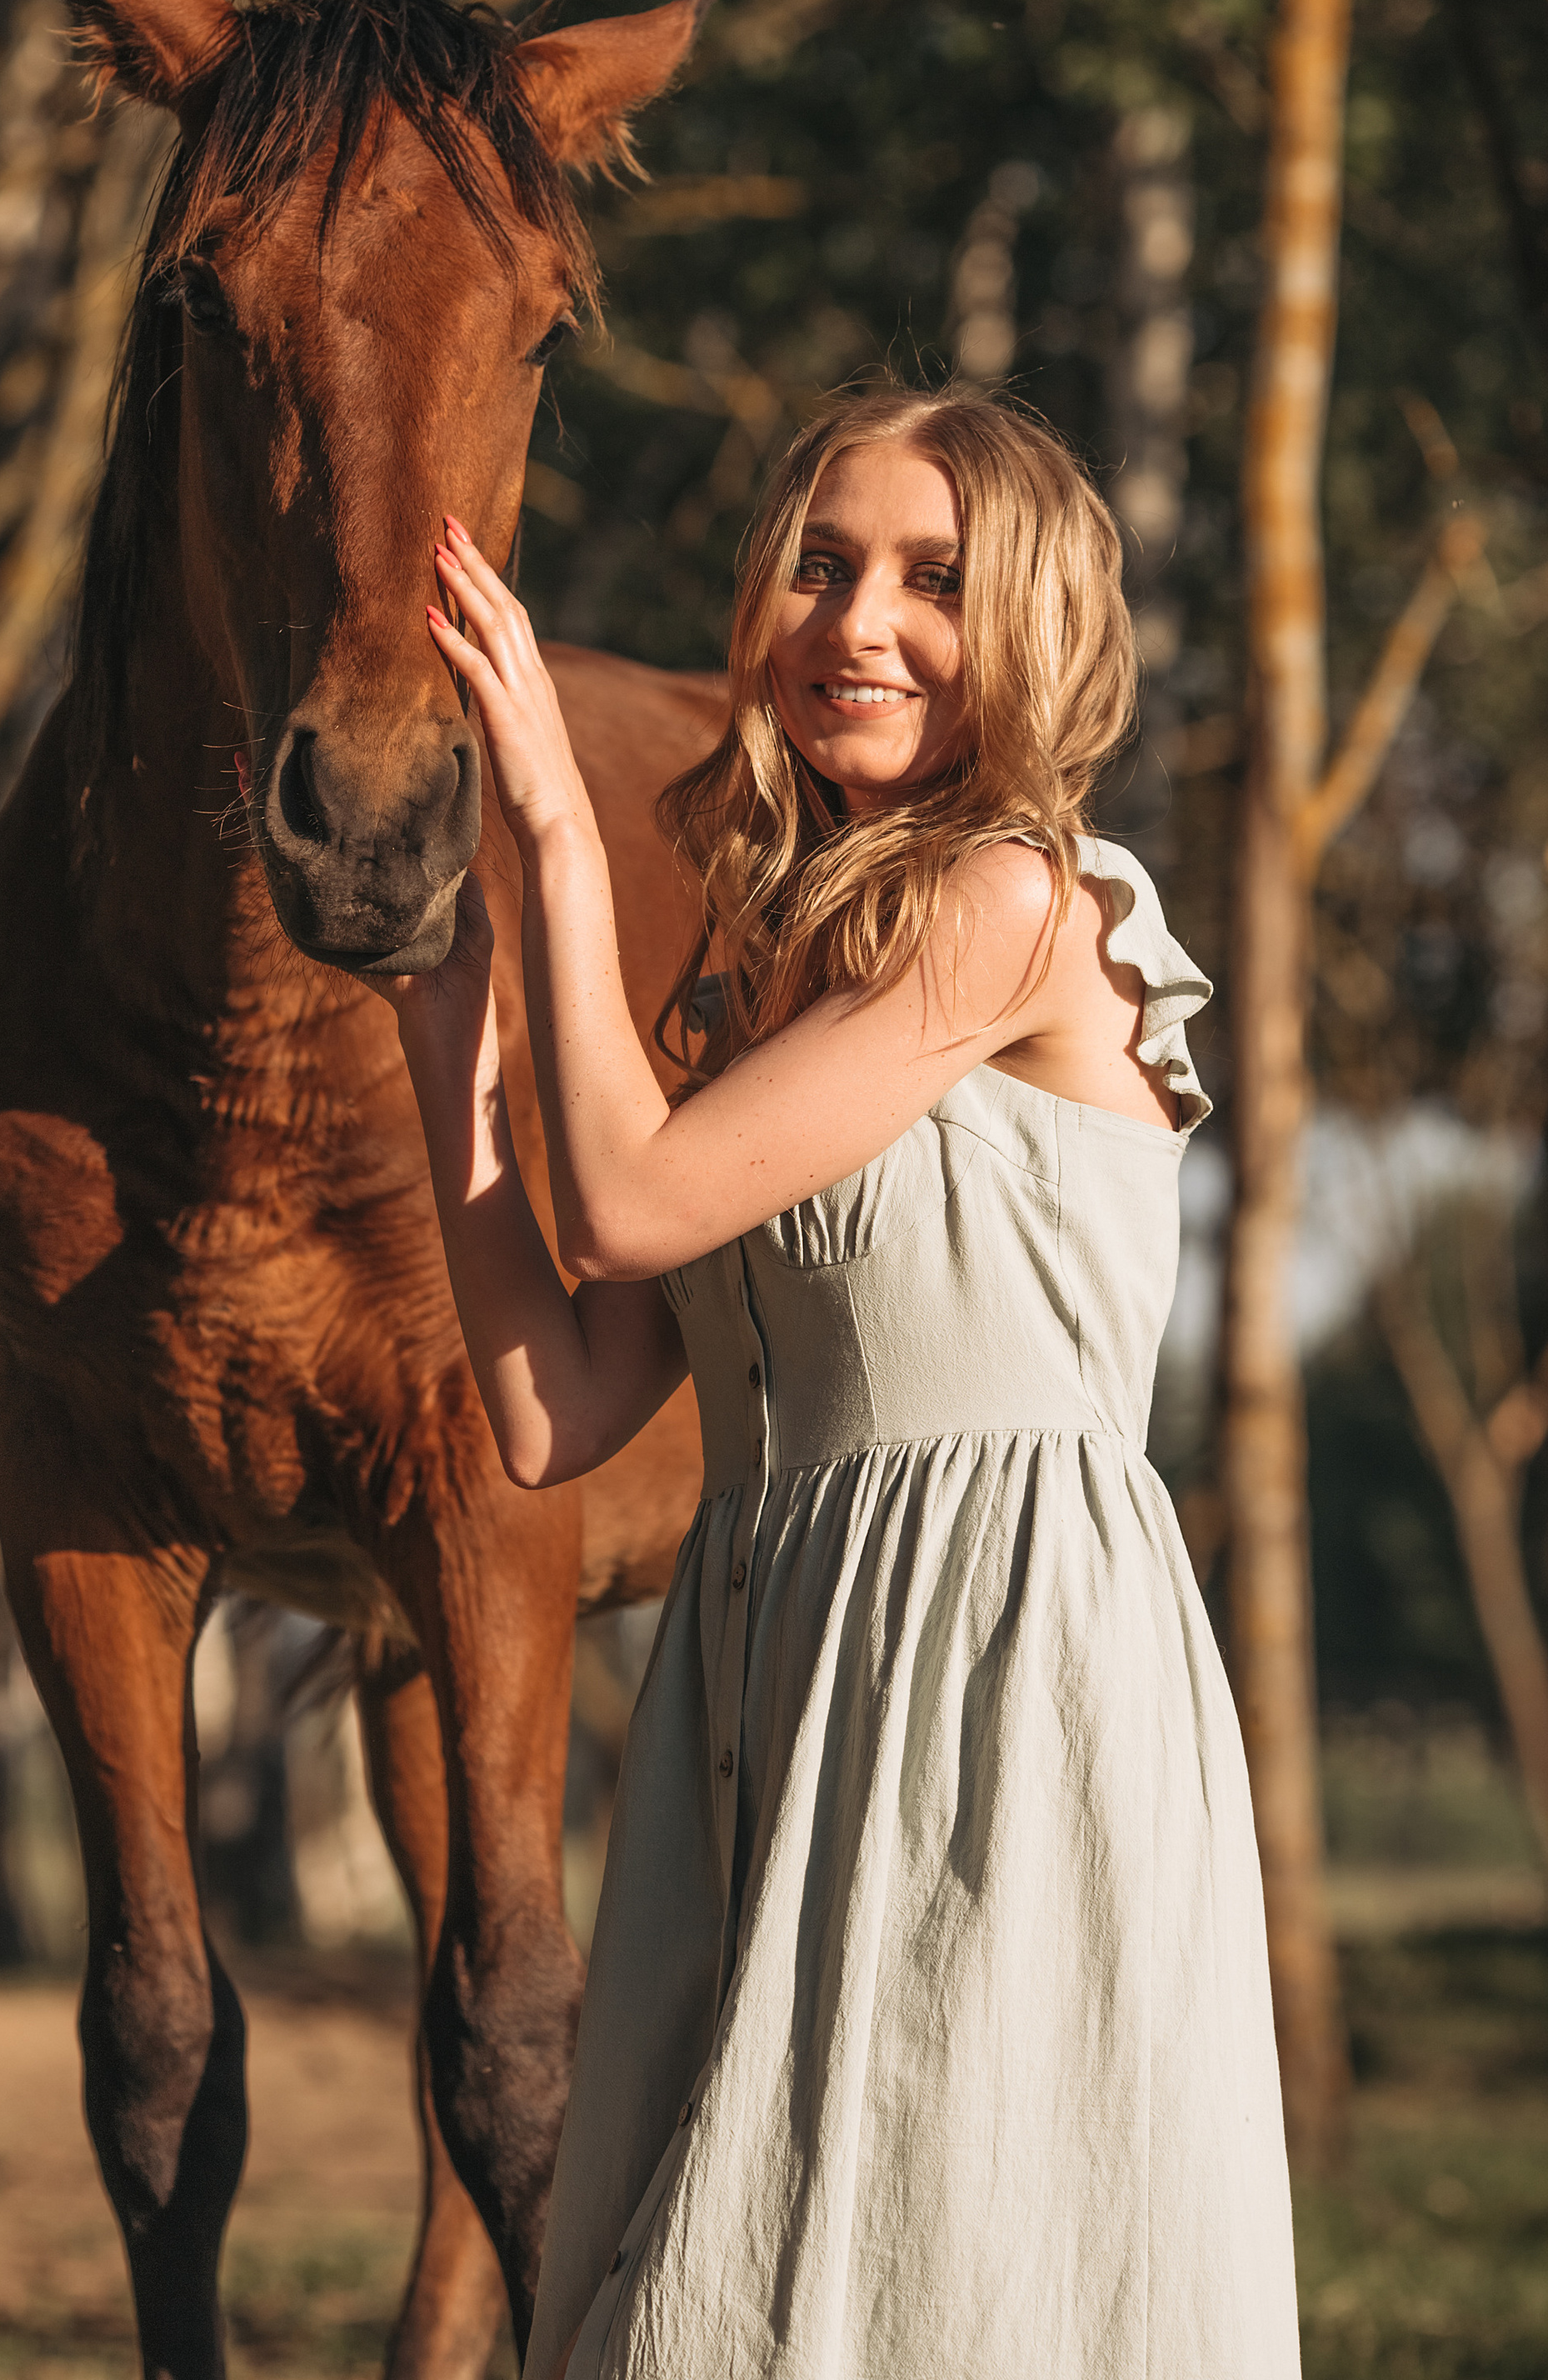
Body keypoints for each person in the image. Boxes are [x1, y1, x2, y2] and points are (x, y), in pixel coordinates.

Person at [387, 382, 1301, 2379]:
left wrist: (554, 811)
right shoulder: (756, 972)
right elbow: (560, 1399)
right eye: (817, 563)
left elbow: (621, 1203)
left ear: (1030, 624)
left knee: (922, 2271)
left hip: (986, 1664)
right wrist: (441, 1013)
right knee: (701, 2266)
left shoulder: (1016, 907)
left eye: (928, 579)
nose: (853, 622)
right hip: (773, 1655)